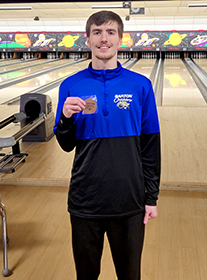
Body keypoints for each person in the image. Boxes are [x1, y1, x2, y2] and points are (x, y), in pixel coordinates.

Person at [53, 10, 161, 280]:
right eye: (97, 32)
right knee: (86, 275)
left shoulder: (141, 86)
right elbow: (66, 145)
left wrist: (152, 197)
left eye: (110, 32)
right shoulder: (71, 85)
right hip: (85, 202)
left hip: (130, 201)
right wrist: (66, 118)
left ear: (120, 39)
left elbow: (150, 145)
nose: (104, 38)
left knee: (130, 275)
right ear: (87, 39)